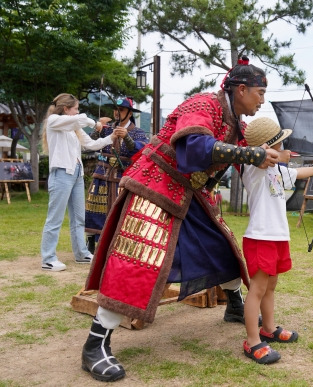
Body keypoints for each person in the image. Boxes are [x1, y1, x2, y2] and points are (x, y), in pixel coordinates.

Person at [80, 56, 281, 382]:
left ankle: (234, 305)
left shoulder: (235, 126)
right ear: (241, 89)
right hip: (154, 185)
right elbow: (195, 146)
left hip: (189, 191)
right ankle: (95, 344)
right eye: (260, 93)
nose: (262, 100)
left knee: (220, 246)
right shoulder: (202, 105)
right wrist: (249, 154)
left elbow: (252, 152)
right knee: (137, 260)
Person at [240, 117, 313, 364]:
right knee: (257, 289)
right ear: (268, 146)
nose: (284, 148)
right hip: (260, 237)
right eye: (280, 144)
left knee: (270, 286)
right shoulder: (253, 167)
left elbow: (298, 171)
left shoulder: (277, 170)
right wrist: (275, 154)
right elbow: (260, 156)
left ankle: (268, 329)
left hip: (277, 237)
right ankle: (252, 342)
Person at [40, 93, 120, 271]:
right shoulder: (53, 120)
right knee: (55, 218)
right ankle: (48, 258)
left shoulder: (74, 127)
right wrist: (95, 123)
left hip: (76, 174)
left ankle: (81, 253)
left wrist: (111, 137)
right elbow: (81, 119)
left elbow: (91, 144)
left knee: (78, 218)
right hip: (61, 173)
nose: (78, 111)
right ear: (66, 109)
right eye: (75, 108)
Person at [85, 97, 149, 253]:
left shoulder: (138, 132)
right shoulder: (107, 128)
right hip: (103, 174)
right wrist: (97, 127)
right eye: (115, 109)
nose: (117, 112)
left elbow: (141, 151)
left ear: (129, 113)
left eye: (120, 110)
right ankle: (93, 241)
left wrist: (127, 137)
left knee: (123, 210)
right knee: (96, 208)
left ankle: (120, 244)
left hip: (123, 177)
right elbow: (88, 145)